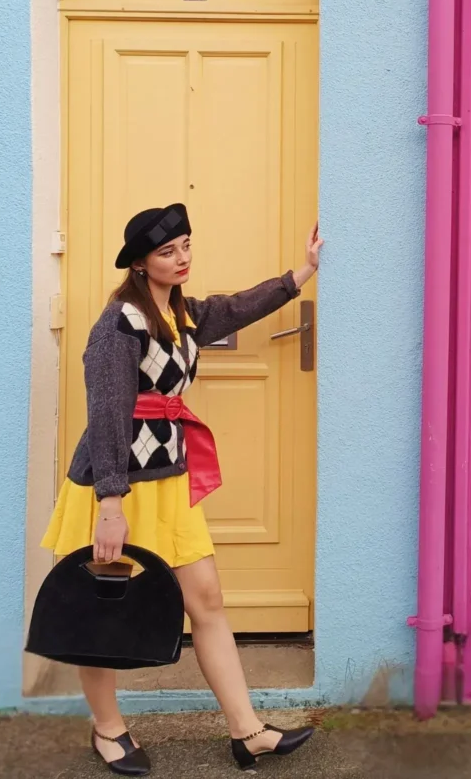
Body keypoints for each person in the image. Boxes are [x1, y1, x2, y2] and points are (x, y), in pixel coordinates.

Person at [41, 203, 323, 774]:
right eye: (168, 251)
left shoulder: (183, 316)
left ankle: (247, 733)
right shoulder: (119, 323)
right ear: (141, 263)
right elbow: (108, 414)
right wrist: (111, 505)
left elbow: (234, 308)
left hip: (168, 484)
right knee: (101, 611)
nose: (183, 258)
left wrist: (303, 272)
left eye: (187, 245)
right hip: (114, 487)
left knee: (208, 601)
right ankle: (108, 730)